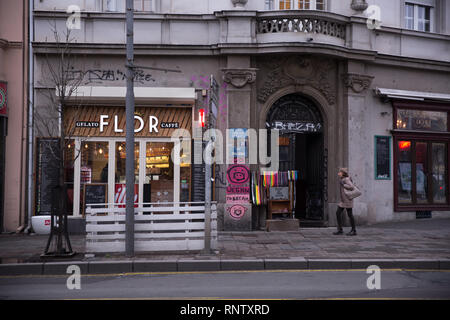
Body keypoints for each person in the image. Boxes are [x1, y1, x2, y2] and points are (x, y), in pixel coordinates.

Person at [333, 167, 357, 236]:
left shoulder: (346, 179)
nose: (338, 173)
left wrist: (343, 185)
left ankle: (354, 230)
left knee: (350, 215)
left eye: (339, 172)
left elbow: (352, 187)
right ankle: (340, 230)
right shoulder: (343, 179)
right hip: (343, 200)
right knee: (338, 213)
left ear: (343, 173)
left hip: (348, 200)